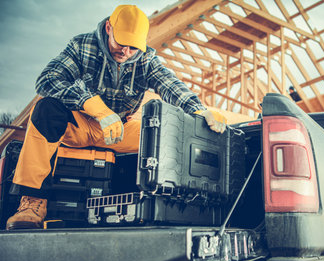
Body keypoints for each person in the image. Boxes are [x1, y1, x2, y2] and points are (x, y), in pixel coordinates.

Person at [6, 5, 226, 230]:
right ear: (109, 28)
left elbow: (171, 85)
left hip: (120, 131)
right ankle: (32, 204)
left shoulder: (146, 60)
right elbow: (47, 80)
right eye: (122, 43)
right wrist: (92, 105)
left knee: (165, 135)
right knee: (44, 110)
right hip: (80, 125)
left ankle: (161, 205)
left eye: (133, 47)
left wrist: (199, 110)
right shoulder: (82, 46)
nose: (126, 51)